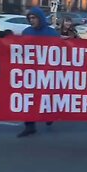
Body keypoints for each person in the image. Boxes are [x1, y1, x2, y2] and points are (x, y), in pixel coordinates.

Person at [17, 7, 60, 138]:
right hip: (31, 72)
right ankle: (29, 126)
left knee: (47, 96)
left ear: (40, 18)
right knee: (29, 99)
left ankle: (49, 115)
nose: (31, 20)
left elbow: (60, 51)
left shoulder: (51, 33)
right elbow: (18, 48)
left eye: (34, 18)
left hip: (47, 72)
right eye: (30, 18)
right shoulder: (26, 31)